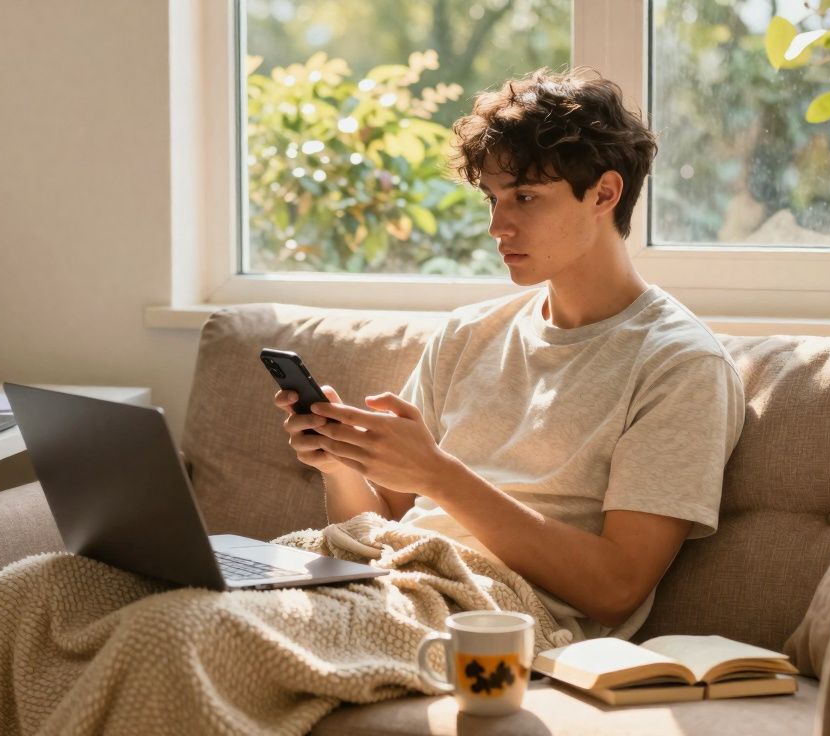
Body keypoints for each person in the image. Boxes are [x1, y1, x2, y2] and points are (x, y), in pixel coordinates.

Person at [275, 67, 745, 642]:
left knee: (190, 629)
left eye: (524, 197)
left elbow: (617, 589)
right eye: (493, 199)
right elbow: (382, 522)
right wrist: (339, 463)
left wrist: (439, 475)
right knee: (181, 590)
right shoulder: (467, 334)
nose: (498, 226)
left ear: (604, 193)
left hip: (493, 614)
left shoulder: (680, 365)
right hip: (388, 576)